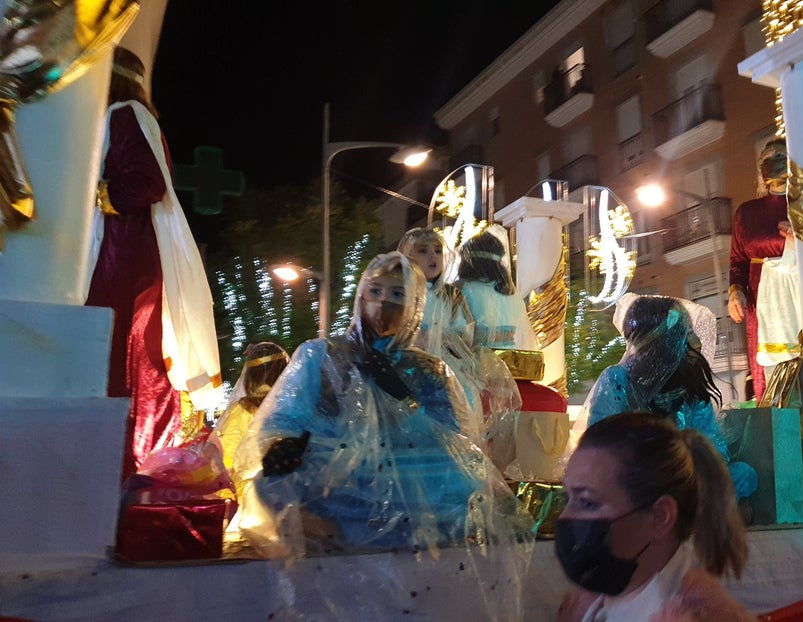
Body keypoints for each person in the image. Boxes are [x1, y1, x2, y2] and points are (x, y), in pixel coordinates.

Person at [235, 252, 524, 556]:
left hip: (413, 497)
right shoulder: (320, 355)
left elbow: (455, 446)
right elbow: (283, 418)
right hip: (336, 490)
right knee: (273, 487)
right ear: (361, 294)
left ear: (414, 305)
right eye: (375, 291)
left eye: (398, 294)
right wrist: (282, 447)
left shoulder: (430, 370)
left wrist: (403, 400)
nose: (383, 302)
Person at [85, 47, 221, 479]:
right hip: (126, 253)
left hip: (124, 254)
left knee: (122, 354)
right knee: (128, 355)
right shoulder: (132, 115)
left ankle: (122, 466)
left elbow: (148, 182)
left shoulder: (125, 112)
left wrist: (94, 194)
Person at [556, 412, 756, 622]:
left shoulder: (694, 612)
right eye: (566, 499)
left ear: (660, 517)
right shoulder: (593, 602)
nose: (564, 517)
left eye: (587, 502)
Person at [578, 294, 758, 501]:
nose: (693, 341)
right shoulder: (618, 379)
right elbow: (598, 442)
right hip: (634, 481)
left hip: (682, 477)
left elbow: (712, 444)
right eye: (685, 332)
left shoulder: (690, 383)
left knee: (744, 475)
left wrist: (689, 460)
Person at [397, 226, 519, 451]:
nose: (432, 256)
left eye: (437, 250)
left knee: (463, 404)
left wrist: (446, 338)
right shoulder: (400, 293)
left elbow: (466, 333)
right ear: (408, 256)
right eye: (423, 251)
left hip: (450, 369)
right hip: (410, 370)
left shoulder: (452, 296)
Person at [728, 138, 791, 400]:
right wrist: (735, 292)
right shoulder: (747, 212)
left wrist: (801, 240)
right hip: (760, 297)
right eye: (766, 159)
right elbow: (737, 260)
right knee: (767, 367)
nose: (772, 162)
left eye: (779, 155)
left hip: (796, 291)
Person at [213, 341, 289, 494]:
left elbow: (227, 461)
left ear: (250, 378)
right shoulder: (293, 409)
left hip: (251, 497)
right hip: (290, 492)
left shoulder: (242, 411)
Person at [454, 224, 538, 351]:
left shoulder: (465, 289)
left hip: (479, 359)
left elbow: (457, 333)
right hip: (511, 357)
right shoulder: (512, 294)